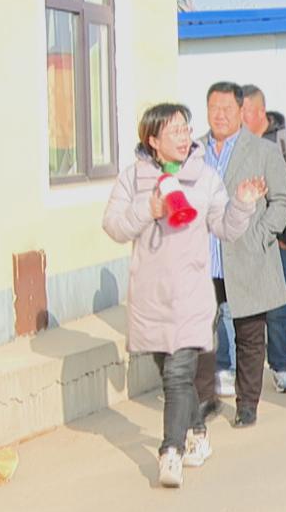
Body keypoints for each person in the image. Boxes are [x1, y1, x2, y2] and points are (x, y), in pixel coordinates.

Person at [103, 103, 265, 488]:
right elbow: (114, 226)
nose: (183, 137)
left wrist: (243, 204)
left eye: (185, 129)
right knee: (170, 372)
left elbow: (226, 228)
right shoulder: (134, 179)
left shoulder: (204, 177)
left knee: (178, 373)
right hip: (150, 296)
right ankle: (197, 432)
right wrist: (148, 209)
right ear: (153, 140)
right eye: (174, 131)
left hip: (192, 294)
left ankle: (170, 452)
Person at [201, 82, 286, 429]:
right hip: (205, 258)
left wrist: (260, 235)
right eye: (214, 108)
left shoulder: (262, 151)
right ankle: (204, 397)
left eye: (227, 108)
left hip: (247, 252)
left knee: (250, 334)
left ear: (241, 111)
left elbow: (284, 200)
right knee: (199, 333)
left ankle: (247, 403)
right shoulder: (195, 152)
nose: (220, 115)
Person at [242, 86, 286, 392]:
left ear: (260, 112)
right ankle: (232, 367)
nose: (238, 118)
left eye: (244, 111)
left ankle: (282, 366)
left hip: (276, 241)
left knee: (277, 307)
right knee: (235, 305)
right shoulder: (234, 145)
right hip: (240, 238)